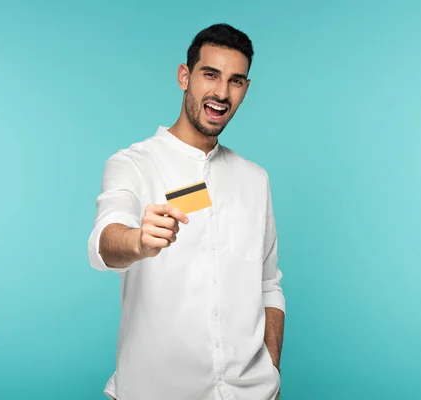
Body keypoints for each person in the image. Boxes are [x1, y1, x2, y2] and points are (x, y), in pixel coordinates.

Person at [88, 23, 285, 400]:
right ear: (184, 76)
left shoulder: (255, 180)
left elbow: (269, 285)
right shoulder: (134, 164)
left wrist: (271, 369)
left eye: (236, 81)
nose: (221, 93)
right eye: (210, 75)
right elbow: (104, 241)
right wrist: (136, 242)